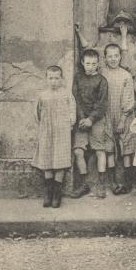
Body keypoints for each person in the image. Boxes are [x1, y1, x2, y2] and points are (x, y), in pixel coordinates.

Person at [32, 65, 76, 208]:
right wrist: (43, 126)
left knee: (60, 159)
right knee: (47, 158)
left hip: (62, 131)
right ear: (46, 79)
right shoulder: (42, 95)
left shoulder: (66, 94)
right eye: (50, 78)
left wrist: (70, 123)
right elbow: (37, 113)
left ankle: (57, 193)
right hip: (46, 131)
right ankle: (48, 192)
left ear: (61, 79)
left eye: (56, 78)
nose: (53, 81)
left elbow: (72, 111)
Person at [71, 48, 109, 199]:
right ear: (82, 63)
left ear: (98, 64)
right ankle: (85, 184)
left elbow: (102, 104)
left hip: (97, 119)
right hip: (81, 120)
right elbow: (76, 99)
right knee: (78, 151)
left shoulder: (102, 80)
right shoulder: (78, 78)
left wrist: (91, 119)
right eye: (87, 63)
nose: (90, 66)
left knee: (100, 150)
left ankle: (101, 184)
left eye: (93, 64)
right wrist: (82, 118)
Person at [101, 42, 136, 194]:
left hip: (124, 116)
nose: (113, 59)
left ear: (120, 57)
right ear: (105, 58)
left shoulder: (126, 75)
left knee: (126, 148)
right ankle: (114, 183)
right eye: (110, 56)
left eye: (116, 56)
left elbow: (129, 99)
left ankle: (127, 182)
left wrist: (123, 119)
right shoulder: (101, 73)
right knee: (109, 149)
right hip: (107, 115)